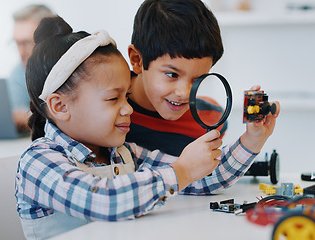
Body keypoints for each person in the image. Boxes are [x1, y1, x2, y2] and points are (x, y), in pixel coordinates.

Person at [15, 16, 242, 239]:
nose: (128, 109)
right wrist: (181, 171)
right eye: (114, 99)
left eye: (127, 96)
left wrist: (251, 141)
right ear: (60, 106)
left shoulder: (125, 153)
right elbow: (104, 201)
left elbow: (202, 177)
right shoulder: (38, 162)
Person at [126, 0, 280, 184]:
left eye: (197, 79)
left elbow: (203, 179)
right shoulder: (108, 113)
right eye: (171, 74)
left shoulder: (210, 118)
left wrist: (253, 139)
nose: (184, 93)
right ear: (137, 60)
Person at [7, 4, 55, 133]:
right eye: (16, 43)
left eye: (27, 42)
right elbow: (17, 116)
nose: (20, 51)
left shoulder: (79, 69)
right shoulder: (18, 73)